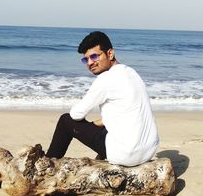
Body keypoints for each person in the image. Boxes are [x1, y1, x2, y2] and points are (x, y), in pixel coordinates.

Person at [46, 31, 159, 166]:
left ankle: (46, 165)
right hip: (148, 151)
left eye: (94, 56)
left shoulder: (106, 78)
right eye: (85, 59)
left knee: (66, 120)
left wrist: (87, 126)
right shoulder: (131, 73)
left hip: (127, 155)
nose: (90, 63)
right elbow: (123, 114)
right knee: (104, 129)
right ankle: (101, 158)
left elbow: (76, 115)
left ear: (110, 54)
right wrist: (93, 125)